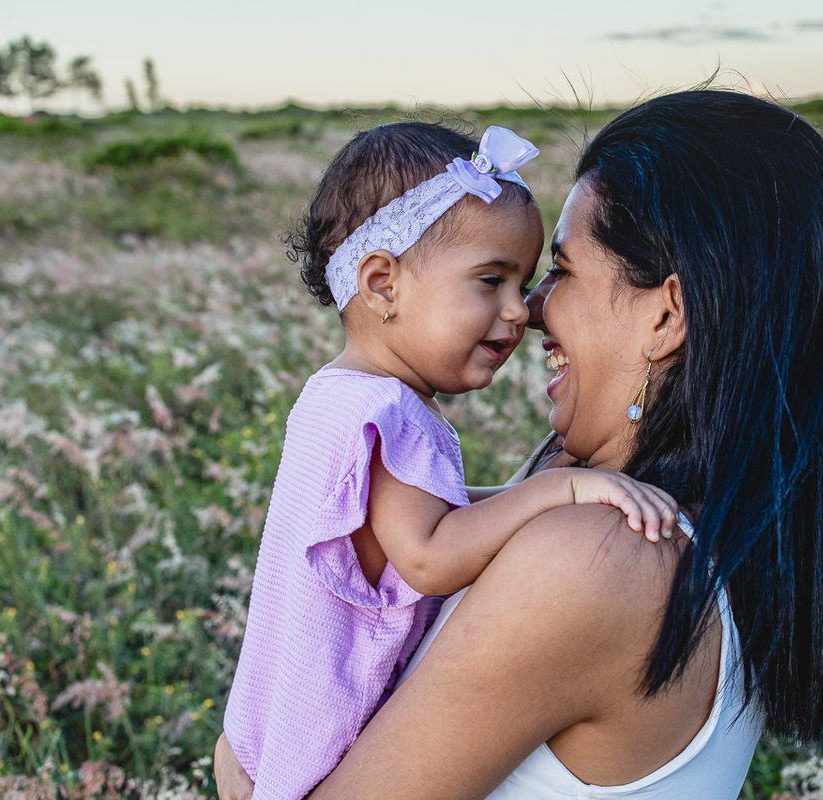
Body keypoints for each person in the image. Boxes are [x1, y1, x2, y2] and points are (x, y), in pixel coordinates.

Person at [216, 90, 823, 799]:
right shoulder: (648, 510)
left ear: (666, 314)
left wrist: (237, 771)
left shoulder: (601, 560)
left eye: (556, 271)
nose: (526, 312)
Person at [221, 121, 680, 800]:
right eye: (490, 280)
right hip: (324, 729)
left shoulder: (336, 397)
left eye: (522, 281)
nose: (520, 310)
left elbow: (420, 514)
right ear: (383, 284)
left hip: (270, 713)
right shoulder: (391, 414)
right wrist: (558, 493)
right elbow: (430, 554)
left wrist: (532, 491)